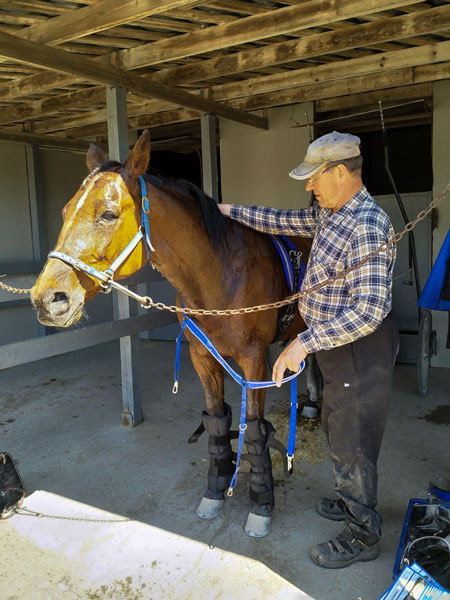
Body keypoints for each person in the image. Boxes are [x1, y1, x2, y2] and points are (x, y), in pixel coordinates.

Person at [219, 131, 399, 569]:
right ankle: (355, 500)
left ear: (340, 172)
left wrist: (302, 341)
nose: (308, 186)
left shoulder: (368, 224)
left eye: (314, 177)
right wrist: (224, 211)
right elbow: (278, 220)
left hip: (360, 346)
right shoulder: (330, 215)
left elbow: (369, 309)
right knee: (341, 429)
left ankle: (362, 533)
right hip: (336, 347)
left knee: (353, 437)